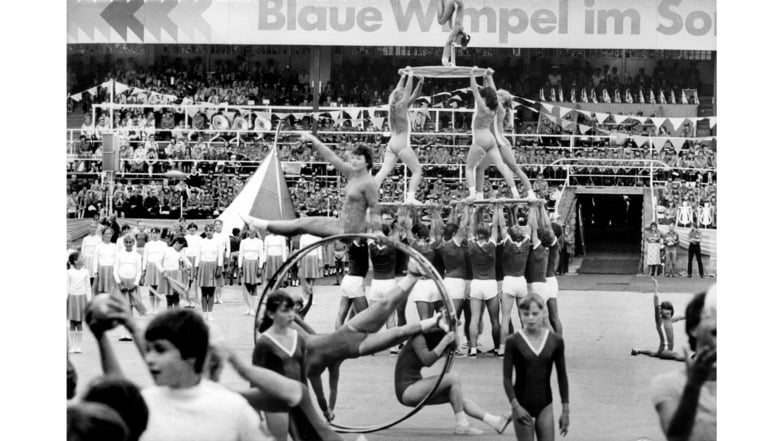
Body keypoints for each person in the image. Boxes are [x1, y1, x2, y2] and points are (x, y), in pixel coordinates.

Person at [84, 303, 270, 441]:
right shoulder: (144, 403)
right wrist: (102, 337)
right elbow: (118, 387)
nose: (148, 359)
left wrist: (241, 367)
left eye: (160, 350)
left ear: (192, 355)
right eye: (148, 350)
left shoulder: (233, 408)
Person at [242, 132, 381, 237]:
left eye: (358, 158)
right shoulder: (351, 173)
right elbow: (332, 157)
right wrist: (313, 139)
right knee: (301, 222)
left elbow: (375, 209)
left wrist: (378, 231)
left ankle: (258, 224)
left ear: (367, 162)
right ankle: (258, 223)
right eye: (353, 158)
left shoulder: (369, 183)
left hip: (350, 230)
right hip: (341, 223)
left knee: (302, 224)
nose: (354, 161)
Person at [394, 328, 511, 435]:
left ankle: (494, 421)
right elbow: (427, 360)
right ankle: (462, 424)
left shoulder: (434, 337)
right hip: (407, 390)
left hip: (414, 387)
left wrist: (451, 342)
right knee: (453, 377)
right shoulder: (418, 336)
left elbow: (444, 358)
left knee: (456, 395)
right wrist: (445, 341)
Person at [652, 288, 716, 441]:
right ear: (695, 328)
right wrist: (693, 387)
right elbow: (676, 437)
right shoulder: (668, 385)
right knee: (674, 355)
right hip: (666, 351)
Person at [503, 294, 569, 441]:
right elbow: (507, 378)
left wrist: (565, 409)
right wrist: (515, 406)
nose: (530, 318)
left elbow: (562, 376)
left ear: (543, 312)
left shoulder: (555, 341)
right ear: (520, 314)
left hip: (544, 403)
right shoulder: (513, 341)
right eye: (526, 314)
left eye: (535, 314)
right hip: (521, 403)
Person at [253, 292, 308, 441]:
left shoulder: (299, 339)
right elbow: (255, 379)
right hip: (275, 402)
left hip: (297, 399)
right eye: (285, 310)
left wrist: (307, 401)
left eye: (292, 310)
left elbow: (303, 375)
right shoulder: (264, 343)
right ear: (271, 314)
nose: (291, 315)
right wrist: (255, 413)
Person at [373, 70, 425, 204]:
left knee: (384, 170)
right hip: (402, 144)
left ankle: (371, 191)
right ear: (402, 98)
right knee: (417, 170)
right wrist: (411, 75)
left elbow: (414, 94)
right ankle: (410, 198)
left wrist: (418, 81)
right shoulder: (402, 106)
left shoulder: (393, 105)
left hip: (392, 144)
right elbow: (408, 91)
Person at [466, 205, 501, 357]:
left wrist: (475, 212)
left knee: (474, 318)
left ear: (477, 234)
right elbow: (494, 230)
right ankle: (498, 348)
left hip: (476, 283)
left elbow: (470, 228)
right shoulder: (491, 245)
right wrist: (496, 207)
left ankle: (473, 349)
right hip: (490, 283)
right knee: (495, 319)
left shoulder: (472, 245)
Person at [496, 205, 530, 356]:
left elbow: (503, 226)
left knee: (505, 317)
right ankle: (526, 346)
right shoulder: (526, 243)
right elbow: (529, 226)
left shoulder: (508, 244)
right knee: (523, 316)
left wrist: (498, 206)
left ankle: (502, 348)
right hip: (521, 281)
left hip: (509, 281)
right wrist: (533, 208)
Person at [631, 278, 686, 361]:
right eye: (666, 310)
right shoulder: (659, 321)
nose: (668, 312)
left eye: (670, 310)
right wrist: (656, 288)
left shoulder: (670, 320)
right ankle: (692, 359)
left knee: (653, 353)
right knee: (676, 354)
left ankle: (638, 351)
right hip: (664, 351)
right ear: (661, 311)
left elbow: (680, 317)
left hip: (665, 350)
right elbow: (656, 307)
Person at [408, 208, 445, 320]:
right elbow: (437, 231)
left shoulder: (414, 245)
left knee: (425, 322)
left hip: (422, 284)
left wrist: (409, 209)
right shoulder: (432, 245)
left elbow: (407, 229)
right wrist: (434, 212)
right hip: (435, 283)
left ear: (415, 235)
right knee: (439, 321)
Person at [114, 235, 147, 341]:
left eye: (130, 242)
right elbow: (115, 270)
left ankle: (129, 333)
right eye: (126, 242)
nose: (128, 244)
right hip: (122, 283)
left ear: (133, 243)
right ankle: (123, 333)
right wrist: (119, 283)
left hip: (132, 283)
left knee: (131, 307)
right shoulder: (119, 255)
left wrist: (135, 283)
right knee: (123, 308)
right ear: (124, 243)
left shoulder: (137, 255)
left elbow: (138, 271)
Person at [334, 239, 369, 330]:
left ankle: (342, 337)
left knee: (344, 314)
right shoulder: (356, 242)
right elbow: (358, 238)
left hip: (350, 281)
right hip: (354, 282)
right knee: (365, 317)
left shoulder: (362, 243)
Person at [195, 224, 224, 321]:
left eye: (210, 230)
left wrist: (219, 268)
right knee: (204, 292)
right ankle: (204, 314)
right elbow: (198, 255)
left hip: (213, 266)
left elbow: (220, 256)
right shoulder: (201, 242)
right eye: (206, 230)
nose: (208, 232)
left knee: (211, 292)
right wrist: (196, 268)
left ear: (213, 231)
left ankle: (210, 314)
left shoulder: (218, 242)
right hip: (203, 266)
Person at [155, 236, 192, 309]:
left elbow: (189, 264)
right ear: (177, 243)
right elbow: (157, 262)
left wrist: (184, 268)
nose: (181, 249)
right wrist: (163, 271)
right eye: (181, 247)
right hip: (167, 274)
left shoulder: (180, 253)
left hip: (176, 275)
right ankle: (170, 315)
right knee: (169, 296)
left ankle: (177, 314)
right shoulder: (166, 250)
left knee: (176, 296)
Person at [68, 251, 92, 353]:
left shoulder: (86, 272)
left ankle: (78, 345)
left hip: (82, 298)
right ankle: (73, 346)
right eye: (80, 257)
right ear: (75, 261)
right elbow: (66, 286)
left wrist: (89, 300)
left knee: (79, 322)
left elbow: (88, 287)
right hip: (72, 297)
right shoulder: (68, 272)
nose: (82, 259)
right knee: (72, 322)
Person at [238, 229, 265, 315]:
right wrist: (240, 266)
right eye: (250, 231)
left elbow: (261, 255)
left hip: (255, 264)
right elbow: (240, 254)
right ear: (247, 232)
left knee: (253, 286)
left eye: (253, 231)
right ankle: (248, 307)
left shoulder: (259, 242)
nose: (251, 233)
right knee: (246, 286)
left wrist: (260, 267)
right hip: (246, 264)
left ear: (256, 232)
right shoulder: (243, 242)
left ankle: (253, 308)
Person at [438, 0, 470, 66]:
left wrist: (450, 61)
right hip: (453, 4)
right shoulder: (457, 28)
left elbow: (450, 44)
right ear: (460, 37)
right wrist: (444, 59)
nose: (457, 43)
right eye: (459, 43)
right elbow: (448, 42)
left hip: (452, 6)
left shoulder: (458, 31)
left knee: (441, 21)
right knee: (440, 21)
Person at [141, 227, 166, 313]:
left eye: (157, 233)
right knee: (151, 288)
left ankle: (157, 308)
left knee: (158, 288)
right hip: (150, 266)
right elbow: (145, 257)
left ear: (159, 234)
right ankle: (152, 307)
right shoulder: (148, 244)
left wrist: (164, 269)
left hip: (159, 267)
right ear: (151, 234)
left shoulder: (163, 244)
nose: (155, 235)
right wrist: (144, 269)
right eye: (153, 233)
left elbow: (165, 257)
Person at [94, 227, 119, 295]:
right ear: (103, 235)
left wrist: (116, 271)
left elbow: (117, 260)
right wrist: (95, 272)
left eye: (110, 233)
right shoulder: (99, 246)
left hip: (112, 271)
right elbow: (96, 259)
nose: (109, 235)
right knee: (102, 290)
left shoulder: (114, 246)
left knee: (112, 290)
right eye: (107, 233)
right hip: (101, 270)